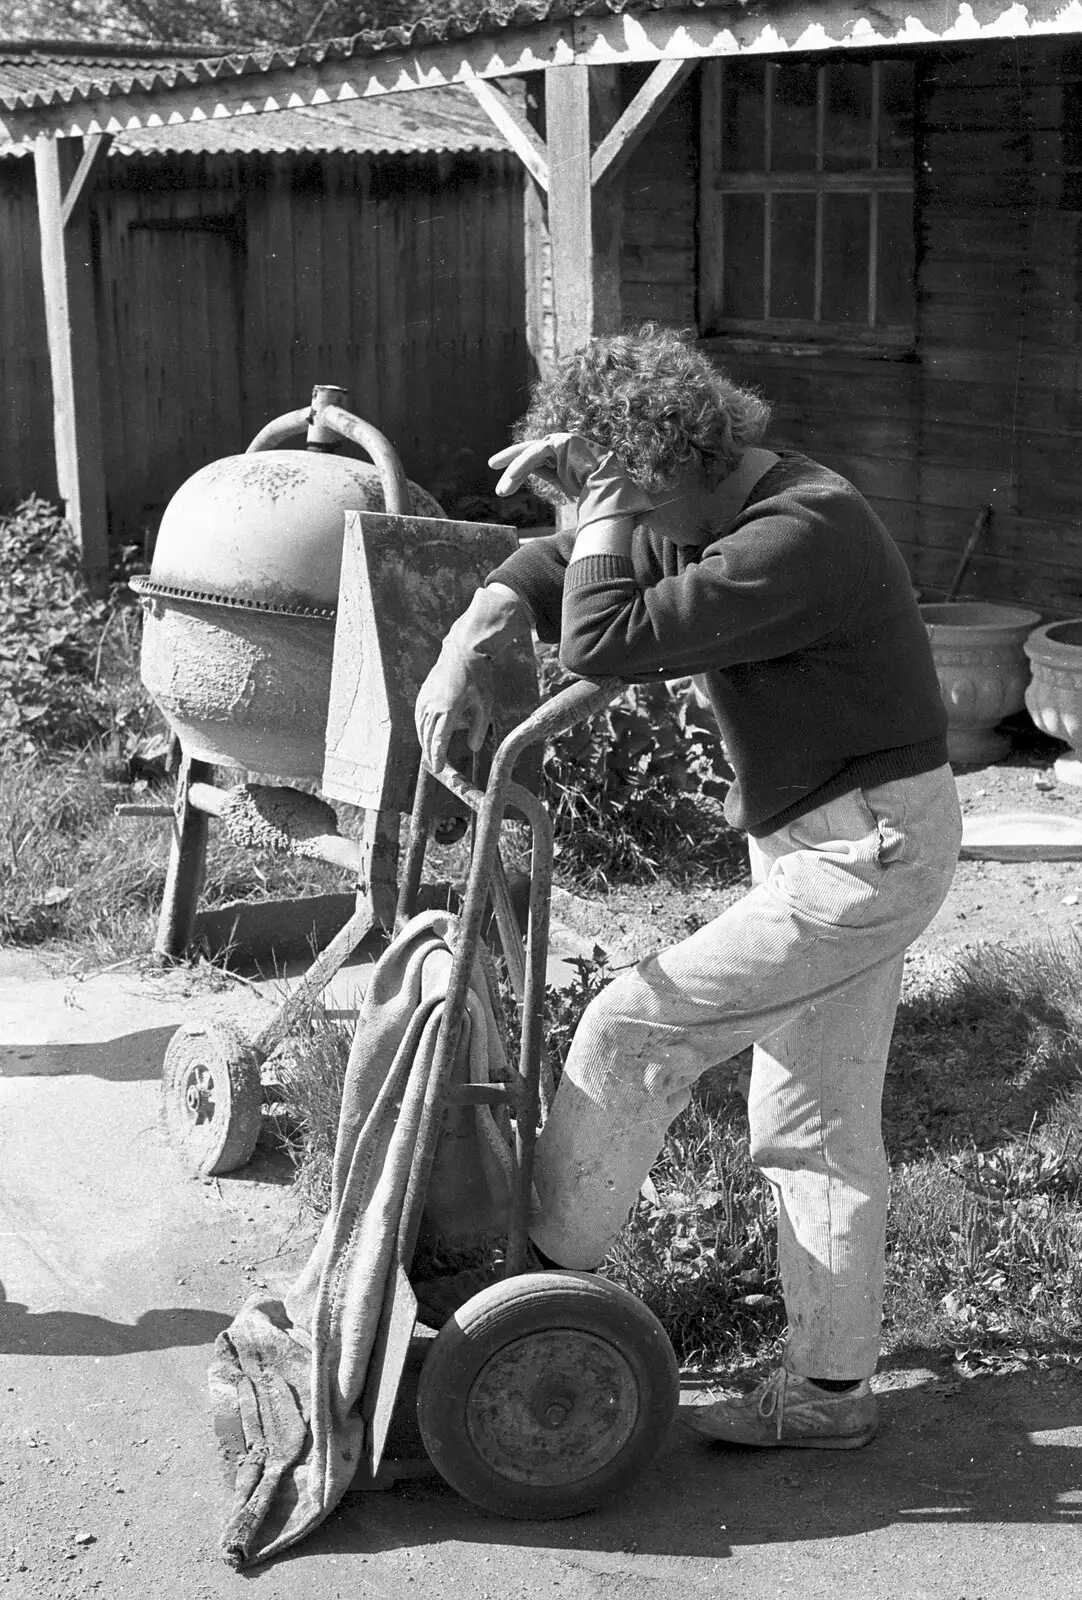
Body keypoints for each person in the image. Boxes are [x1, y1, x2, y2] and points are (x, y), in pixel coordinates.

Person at [414, 323, 961, 1450]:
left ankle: (520, 1302)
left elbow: (606, 636)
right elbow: (572, 571)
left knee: (629, 1029)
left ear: (661, 475)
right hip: (828, 839)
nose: (613, 536)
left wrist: (605, 506)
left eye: (617, 503)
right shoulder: (711, 513)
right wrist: (482, 614)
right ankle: (826, 1396)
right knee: (806, 1121)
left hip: (865, 855)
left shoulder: (802, 534)